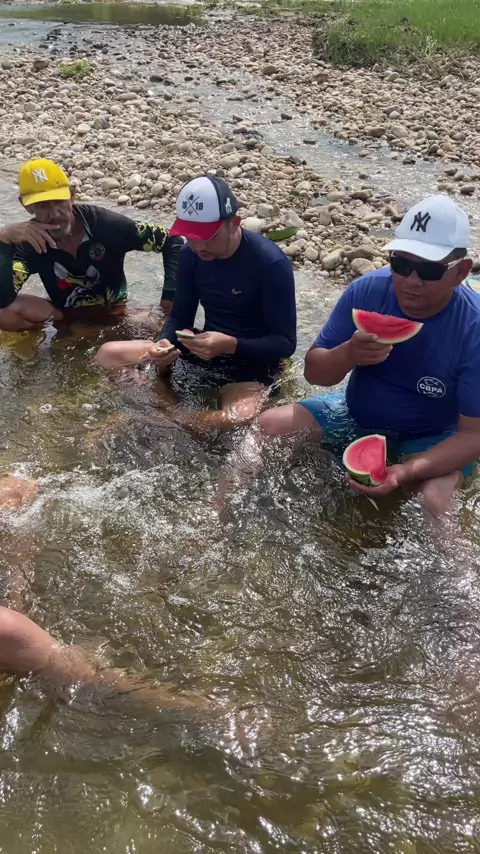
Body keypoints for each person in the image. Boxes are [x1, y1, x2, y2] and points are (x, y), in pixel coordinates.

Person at [247, 195, 480, 517]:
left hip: (436, 436)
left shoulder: (473, 327)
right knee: (267, 426)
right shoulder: (367, 291)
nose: (411, 281)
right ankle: (214, 517)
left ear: (461, 271)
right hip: (353, 413)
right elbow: (315, 374)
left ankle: (454, 553)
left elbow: (473, 435)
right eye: (401, 264)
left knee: (434, 500)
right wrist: (348, 353)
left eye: (429, 270)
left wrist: (405, 472)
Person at [94, 175, 297, 431]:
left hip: (252, 361)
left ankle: (165, 421)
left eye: (208, 236)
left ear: (234, 223)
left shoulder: (270, 264)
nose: (199, 245)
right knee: (108, 355)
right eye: (190, 235)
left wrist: (230, 344)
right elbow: (180, 317)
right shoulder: (191, 255)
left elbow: (285, 344)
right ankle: (170, 409)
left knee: (238, 418)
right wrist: (165, 343)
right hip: (204, 349)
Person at [0, 158, 183, 331]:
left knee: (163, 328)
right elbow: (4, 299)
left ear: (72, 195)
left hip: (117, 310)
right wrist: (4, 240)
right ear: (26, 206)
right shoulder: (28, 244)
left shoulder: (107, 225)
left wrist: (169, 298)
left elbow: (171, 239)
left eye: (59, 202)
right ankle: (50, 333)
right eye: (43, 205)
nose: (54, 214)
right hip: (63, 315)